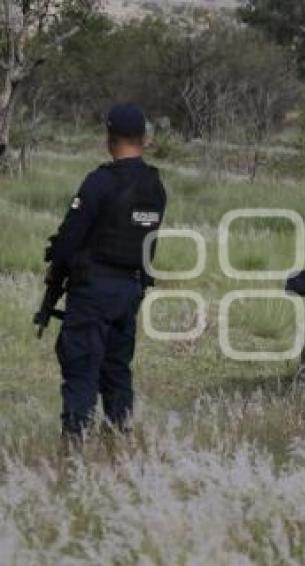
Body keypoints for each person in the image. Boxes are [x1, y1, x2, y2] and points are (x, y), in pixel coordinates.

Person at [45, 103, 167, 441]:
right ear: (143, 138)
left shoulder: (100, 182)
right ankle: (119, 438)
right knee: (117, 370)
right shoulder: (155, 186)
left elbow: (69, 240)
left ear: (109, 138)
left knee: (82, 366)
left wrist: (57, 268)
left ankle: (75, 445)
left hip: (94, 289)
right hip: (130, 290)